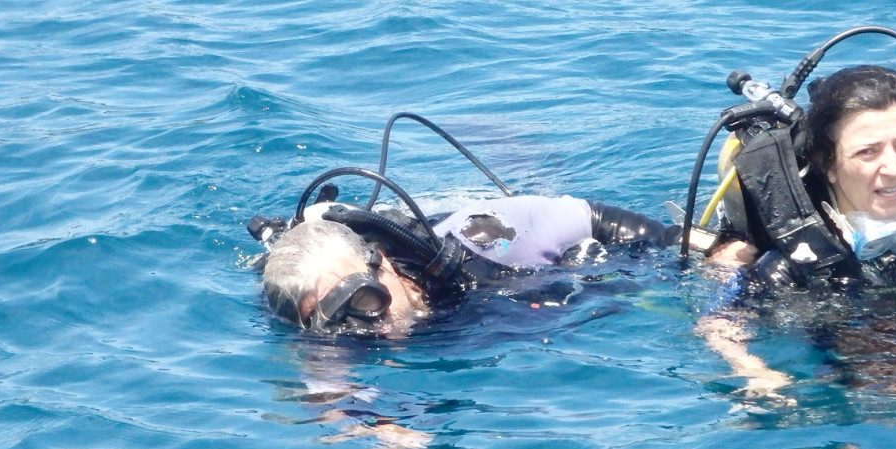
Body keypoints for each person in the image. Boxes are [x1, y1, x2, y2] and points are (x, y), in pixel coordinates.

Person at [700, 64, 896, 397]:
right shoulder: (799, 261)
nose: (893, 168)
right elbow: (719, 324)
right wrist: (757, 373)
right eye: (867, 152)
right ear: (828, 164)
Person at [254, 189, 679, 337]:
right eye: (338, 322)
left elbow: (589, 216)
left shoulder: (492, 249)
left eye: (365, 302)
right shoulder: (339, 333)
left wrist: (693, 247)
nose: (371, 328)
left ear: (380, 264)